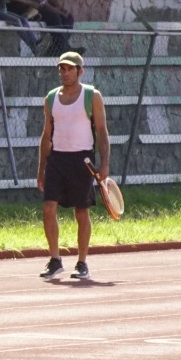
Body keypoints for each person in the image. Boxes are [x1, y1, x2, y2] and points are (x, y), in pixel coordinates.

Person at [36, 52, 111, 280]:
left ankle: (82, 263)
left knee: (81, 211)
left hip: (82, 160)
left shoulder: (92, 96)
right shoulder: (51, 98)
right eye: (62, 69)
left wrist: (104, 164)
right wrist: (41, 169)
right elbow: (46, 134)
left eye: (70, 69)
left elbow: (102, 132)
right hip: (57, 159)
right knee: (48, 208)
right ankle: (55, 260)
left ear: (80, 71)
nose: (65, 73)